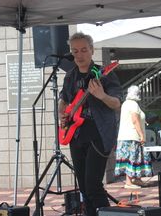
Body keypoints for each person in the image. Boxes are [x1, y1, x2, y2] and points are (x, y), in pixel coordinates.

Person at [58, 32, 122, 216]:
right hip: (76, 134)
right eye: (75, 51)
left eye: (84, 50)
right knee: (84, 188)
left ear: (92, 50)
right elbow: (63, 101)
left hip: (99, 133)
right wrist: (62, 114)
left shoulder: (104, 74)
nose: (79, 55)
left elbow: (117, 103)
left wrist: (101, 96)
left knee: (93, 185)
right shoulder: (70, 77)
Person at [114, 85, 153, 189]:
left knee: (135, 158)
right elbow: (135, 120)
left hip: (125, 136)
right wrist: (141, 135)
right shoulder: (133, 104)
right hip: (132, 136)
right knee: (132, 158)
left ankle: (137, 179)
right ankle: (129, 182)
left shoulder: (126, 104)